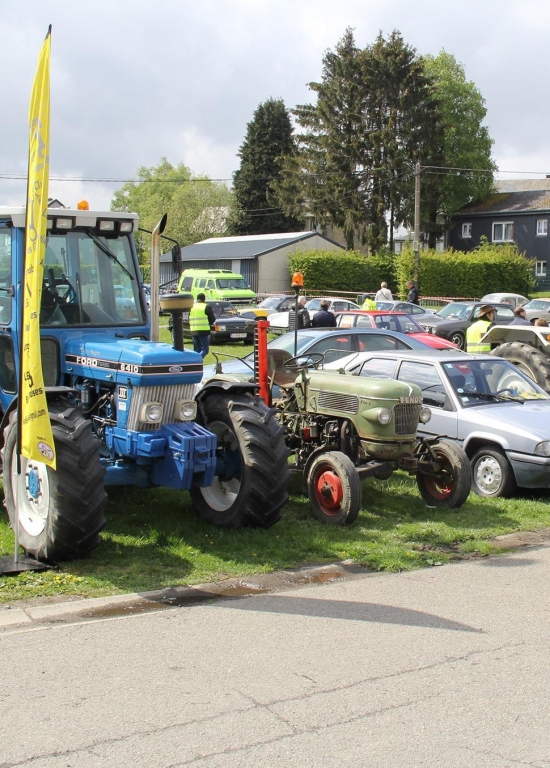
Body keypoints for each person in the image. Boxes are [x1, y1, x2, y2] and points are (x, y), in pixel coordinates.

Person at [189, 292, 216, 359]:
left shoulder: (192, 307)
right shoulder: (206, 306)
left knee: (196, 350)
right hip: (203, 330)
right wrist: (209, 324)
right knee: (204, 350)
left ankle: (195, 362)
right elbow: (212, 319)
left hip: (193, 330)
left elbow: (189, 317)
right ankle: (196, 360)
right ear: (204, 299)